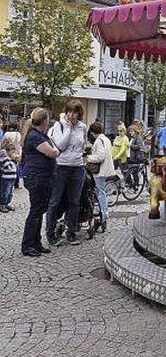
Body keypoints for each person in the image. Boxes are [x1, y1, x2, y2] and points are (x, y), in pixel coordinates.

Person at [46, 99, 88, 246]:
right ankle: (50, 233)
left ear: (79, 113)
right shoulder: (59, 125)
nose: (71, 115)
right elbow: (61, 145)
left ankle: (71, 232)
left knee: (74, 201)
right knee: (55, 200)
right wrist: (69, 127)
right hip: (61, 166)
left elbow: (83, 144)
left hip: (77, 167)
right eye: (69, 111)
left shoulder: (83, 127)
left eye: (75, 112)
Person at [20, 108, 59, 257]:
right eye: (48, 120)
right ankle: (28, 245)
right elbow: (52, 152)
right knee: (36, 211)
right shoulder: (35, 136)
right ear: (44, 121)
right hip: (37, 178)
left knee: (39, 210)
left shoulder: (38, 135)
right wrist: (56, 151)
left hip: (41, 177)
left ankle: (35, 242)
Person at [86, 121, 116, 229]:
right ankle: (100, 210)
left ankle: (104, 212)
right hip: (106, 169)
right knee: (99, 190)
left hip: (100, 170)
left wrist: (88, 158)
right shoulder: (106, 139)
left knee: (100, 191)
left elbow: (100, 156)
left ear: (93, 132)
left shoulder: (99, 141)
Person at [0, 139, 18, 212]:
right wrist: (12, 160)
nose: (13, 152)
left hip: (12, 178)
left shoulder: (10, 159)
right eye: (12, 151)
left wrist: (15, 161)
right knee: (5, 192)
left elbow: (15, 167)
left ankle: (7, 203)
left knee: (10, 193)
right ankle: (2, 204)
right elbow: (8, 166)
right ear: (7, 151)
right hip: (6, 178)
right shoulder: (4, 158)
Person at [2, 123, 22, 188]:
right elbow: (19, 144)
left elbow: (3, 142)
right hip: (15, 152)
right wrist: (19, 153)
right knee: (15, 167)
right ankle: (16, 183)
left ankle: (8, 179)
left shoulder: (6, 133)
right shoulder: (18, 134)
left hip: (7, 151)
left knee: (7, 166)